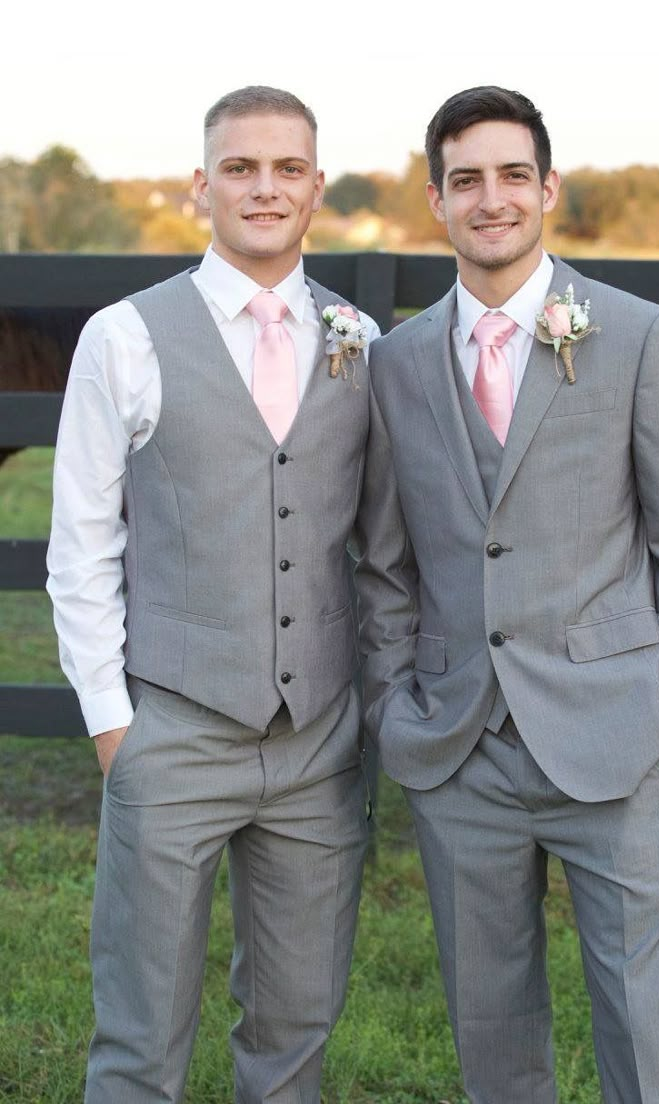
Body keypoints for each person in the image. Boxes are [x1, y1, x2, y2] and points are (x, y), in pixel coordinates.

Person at [355, 85, 659, 1103]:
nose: (491, 199)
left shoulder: (640, 337)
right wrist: (395, 708)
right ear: (435, 200)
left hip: (612, 741)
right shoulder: (394, 363)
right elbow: (385, 564)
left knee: (645, 1032)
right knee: (491, 1029)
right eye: (465, 180)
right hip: (457, 745)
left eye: (512, 175)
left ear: (548, 187)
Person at [47, 85, 378, 1104]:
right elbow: (81, 546)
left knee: (294, 1033)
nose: (263, 187)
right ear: (202, 186)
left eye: (286, 168)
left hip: (320, 744)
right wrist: (115, 727)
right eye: (240, 166)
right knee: (140, 1036)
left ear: (316, 187)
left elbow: (376, 545)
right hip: (172, 730)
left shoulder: (360, 339)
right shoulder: (125, 337)